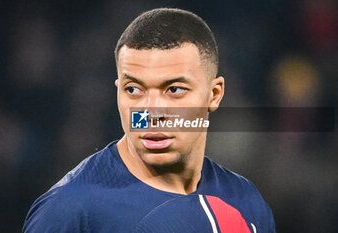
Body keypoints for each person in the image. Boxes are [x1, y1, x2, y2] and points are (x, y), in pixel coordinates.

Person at [23, 8, 276, 233]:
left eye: (174, 90)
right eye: (134, 90)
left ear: (214, 95)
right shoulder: (71, 211)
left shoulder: (246, 202)